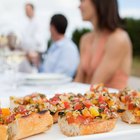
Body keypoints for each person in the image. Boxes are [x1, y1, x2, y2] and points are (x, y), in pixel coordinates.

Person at [74, 0, 132, 89]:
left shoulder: (118, 39)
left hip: (111, 101)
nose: (79, 6)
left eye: (83, 1)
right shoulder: (85, 39)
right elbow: (78, 80)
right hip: (87, 98)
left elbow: (95, 86)